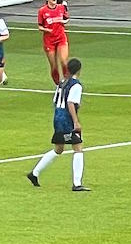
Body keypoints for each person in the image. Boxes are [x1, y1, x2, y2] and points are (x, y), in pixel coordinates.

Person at [26, 58, 89, 191]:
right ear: (79, 70)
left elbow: (55, 100)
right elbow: (71, 103)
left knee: (59, 149)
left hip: (57, 116)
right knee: (78, 147)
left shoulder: (62, 83)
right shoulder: (76, 85)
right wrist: (76, 121)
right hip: (67, 118)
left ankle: (34, 173)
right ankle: (77, 184)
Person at [37, 0, 70, 85]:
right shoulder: (42, 11)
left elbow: (66, 19)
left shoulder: (61, 8)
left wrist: (64, 21)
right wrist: (47, 30)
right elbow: (40, 27)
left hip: (61, 38)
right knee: (54, 65)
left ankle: (66, 82)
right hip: (49, 41)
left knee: (64, 61)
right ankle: (58, 84)